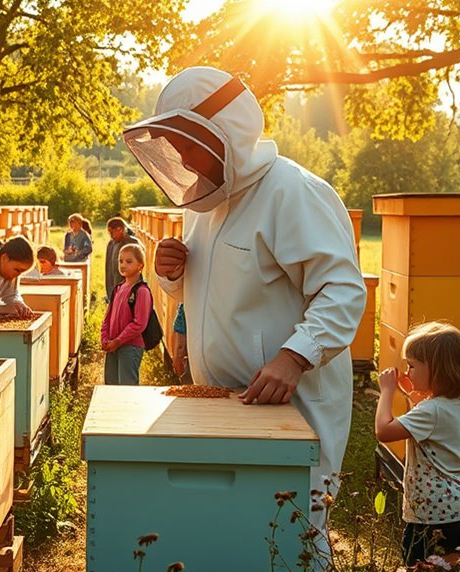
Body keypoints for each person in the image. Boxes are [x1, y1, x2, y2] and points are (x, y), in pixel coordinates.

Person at [127, 66, 366, 531]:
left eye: (189, 143)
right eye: (175, 145)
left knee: (292, 536)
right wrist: (170, 273)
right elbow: (215, 289)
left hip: (288, 411)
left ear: (226, 132)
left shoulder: (294, 192)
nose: (183, 158)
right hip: (219, 405)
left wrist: (294, 358)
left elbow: (341, 290)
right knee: (232, 534)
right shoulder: (204, 203)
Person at [375, 322, 460, 568]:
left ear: (438, 369)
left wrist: (387, 392)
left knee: (419, 570)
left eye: (412, 366)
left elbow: (384, 431)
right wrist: (412, 393)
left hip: (434, 519)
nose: (407, 371)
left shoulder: (431, 411)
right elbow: (428, 424)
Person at [100, 244, 151, 385]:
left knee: (126, 387)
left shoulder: (141, 291)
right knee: (111, 384)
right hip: (112, 345)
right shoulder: (118, 288)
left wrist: (118, 341)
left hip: (130, 346)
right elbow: (108, 317)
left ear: (140, 265)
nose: (123, 265)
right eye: (120, 261)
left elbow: (139, 324)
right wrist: (105, 338)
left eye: (129, 262)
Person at [104, 217, 140, 302]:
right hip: (114, 285)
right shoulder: (111, 244)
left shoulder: (133, 243)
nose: (111, 236)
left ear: (120, 229)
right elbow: (108, 268)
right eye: (109, 233)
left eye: (112, 232)